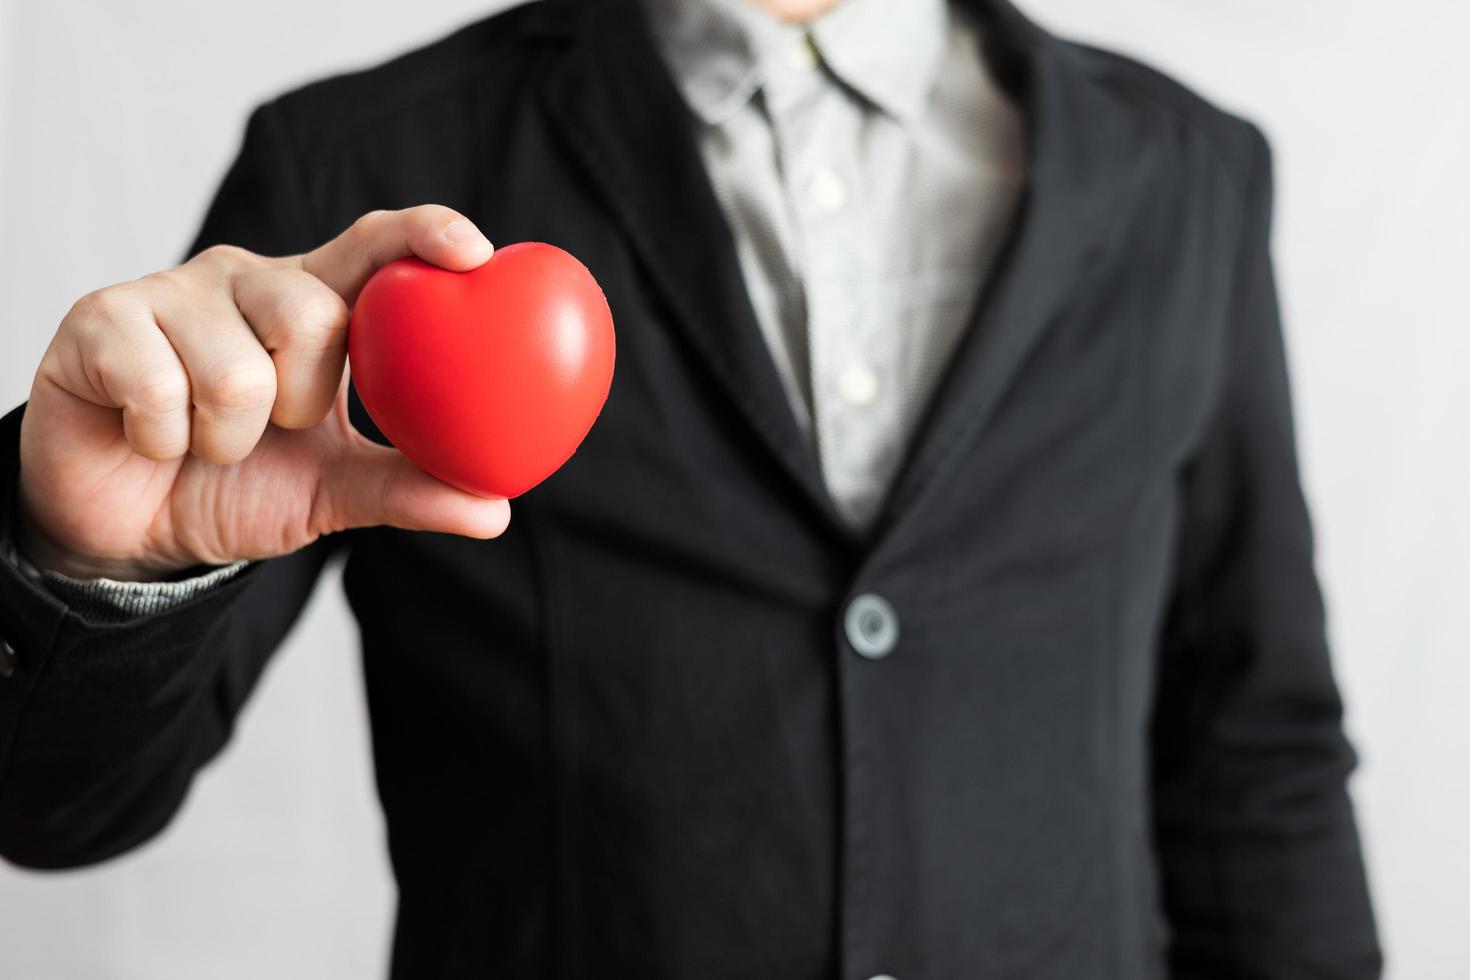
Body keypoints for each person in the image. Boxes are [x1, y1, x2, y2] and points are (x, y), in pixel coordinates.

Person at [0, 0, 1382, 976]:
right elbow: (54, 806)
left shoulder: (1186, 176)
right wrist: (85, 557)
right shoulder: (358, 170)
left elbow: (1252, 748)